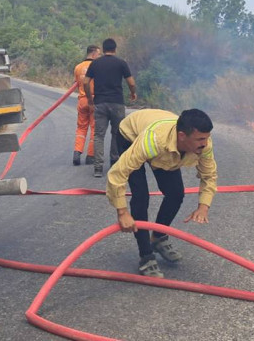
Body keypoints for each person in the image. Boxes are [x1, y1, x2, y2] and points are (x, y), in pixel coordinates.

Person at [105, 108, 217, 278]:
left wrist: (203, 207)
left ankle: (157, 237)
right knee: (141, 196)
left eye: (206, 138)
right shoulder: (152, 141)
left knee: (176, 194)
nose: (205, 143)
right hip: (131, 135)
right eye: (200, 139)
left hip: (165, 146)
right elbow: (117, 174)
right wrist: (122, 212)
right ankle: (146, 256)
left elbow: (209, 176)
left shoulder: (203, 144)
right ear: (182, 136)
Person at [83, 38, 137, 178]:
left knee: (99, 136)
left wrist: (90, 99)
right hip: (117, 103)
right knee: (117, 133)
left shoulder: (96, 63)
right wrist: (133, 93)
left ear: (104, 48)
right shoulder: (121, 63)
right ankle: (114, 162)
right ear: (115, 49)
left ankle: (98, 168)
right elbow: (131, 82)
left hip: (100, 103)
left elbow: (85, 82)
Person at [72, 45, 101, 166]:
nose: (99, 57)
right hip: (94, 100)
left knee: (81, 128)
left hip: (82, 100)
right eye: (98, 54)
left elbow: (76, 83)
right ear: (94, 54)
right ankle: (90, 156)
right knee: (95, 129)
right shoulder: (97, 66)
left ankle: (77, 153)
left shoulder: (78, 67)